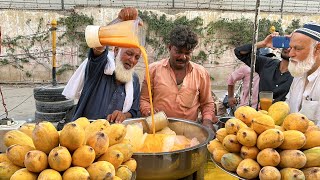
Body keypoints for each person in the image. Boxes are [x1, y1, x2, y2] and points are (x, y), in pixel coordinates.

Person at [63, 7, 142, 123]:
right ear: (116, 51)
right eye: (129, 54)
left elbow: (135, 111)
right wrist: (119, 21)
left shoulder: (134, 80)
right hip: (86, 133)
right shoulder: (100, 67)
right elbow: (98, 43)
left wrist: (124, 116)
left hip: (115, 136)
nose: (132, 60)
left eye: (137, 57)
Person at [139, 25, 216, 129]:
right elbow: (144, 99)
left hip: (188, 132)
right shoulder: (153, 70)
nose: (183, 57)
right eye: (178, 52)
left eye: (187, 53)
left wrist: (207, 121)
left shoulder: (201, 73)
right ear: (170, 47)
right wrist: (148, 110)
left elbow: (207, 103)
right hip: (158, 130)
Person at [234, 33, 293, 104]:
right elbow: (239, 52)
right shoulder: (267, 63)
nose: (288, 48)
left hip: (284, 114)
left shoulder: (299, 75)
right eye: (287, 44)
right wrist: (263, 44)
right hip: (261, 114)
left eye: (293, 46)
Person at [285, 22, 320, 126]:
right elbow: (288, 108)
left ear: (317, 49)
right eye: (290, 48)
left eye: (298, 48)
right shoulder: (300, 73)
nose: (291, 54)